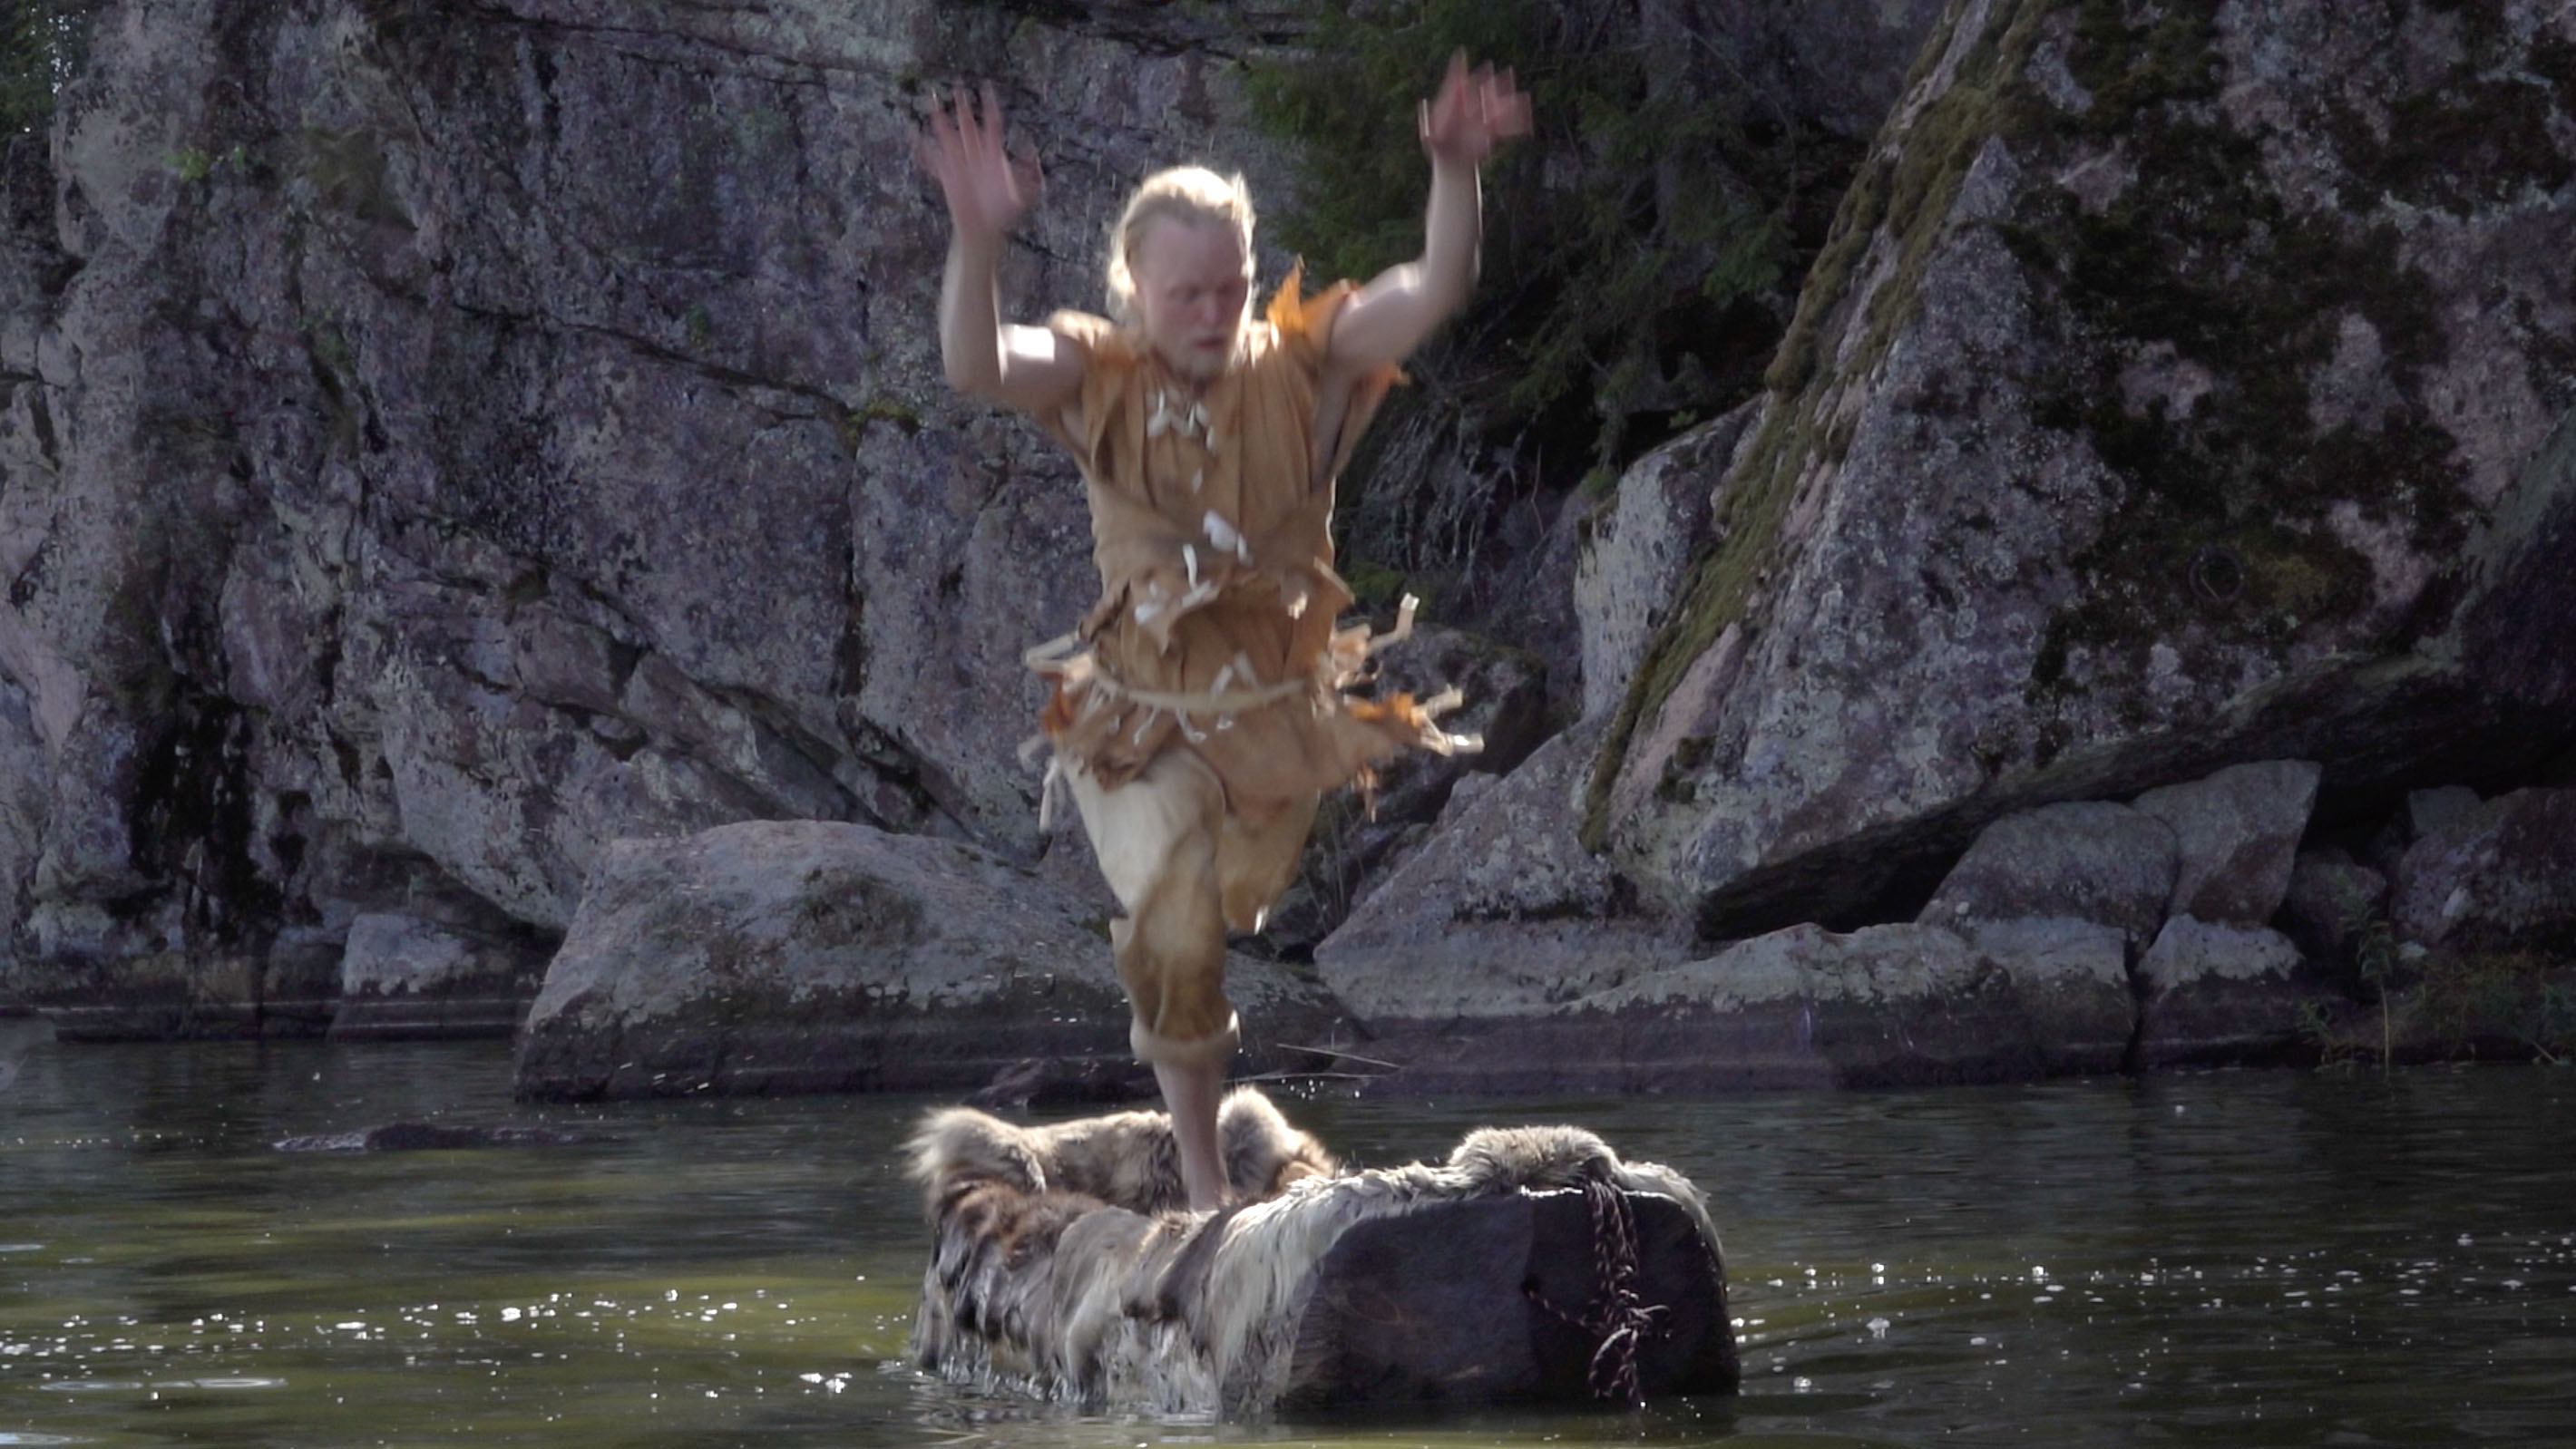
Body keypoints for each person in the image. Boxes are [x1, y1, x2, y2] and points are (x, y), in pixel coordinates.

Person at [922, 55, 1531, 1211]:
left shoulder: (1303, 360)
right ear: (1134, 289)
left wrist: (1453, 171)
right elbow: (974, 361)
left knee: (1223, 903)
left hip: (1275, 728)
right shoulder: (1096, 370)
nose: (1211, 313)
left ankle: (1207, 1152)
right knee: (1174, 911)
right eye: (1184, 295)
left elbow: (1434, 284)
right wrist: (976, 239)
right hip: (1138, 722)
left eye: (1229, 288)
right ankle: (1205, 1187)